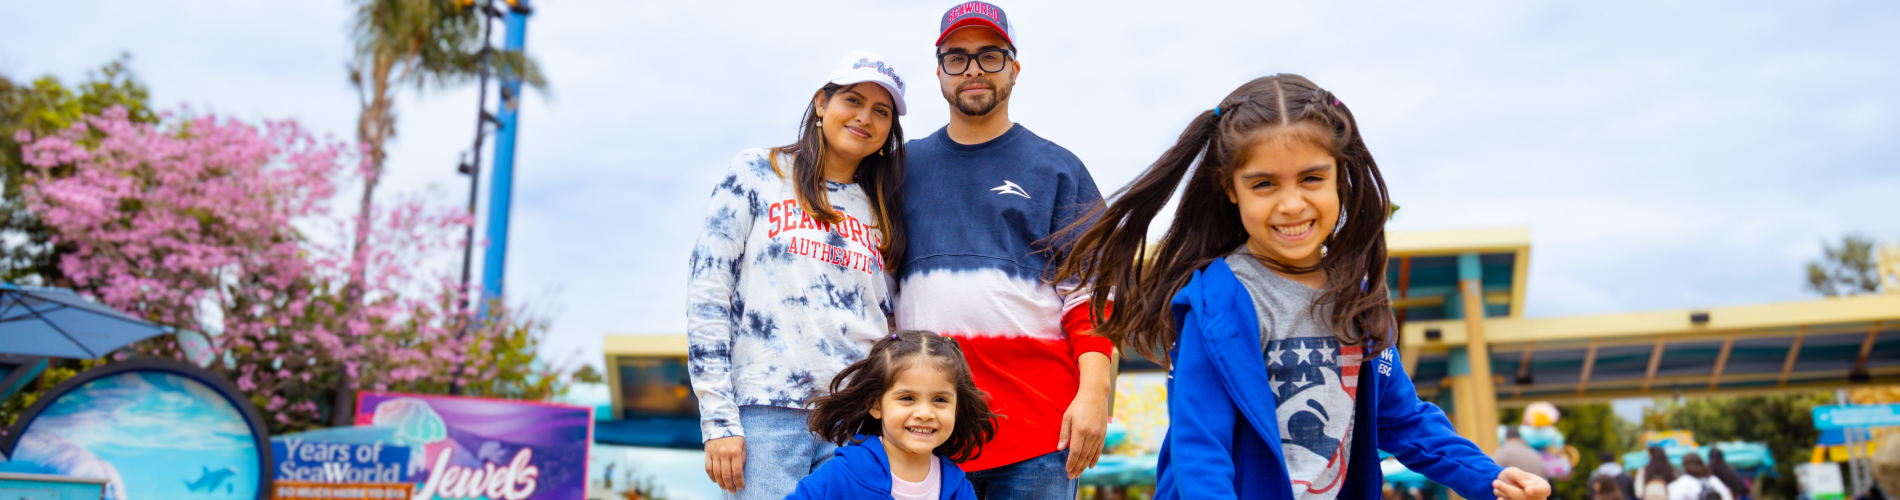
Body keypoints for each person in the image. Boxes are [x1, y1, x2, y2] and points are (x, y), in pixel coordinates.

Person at [1052, 74, 1551, 500]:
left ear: (1341, 177)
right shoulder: (1218, 299)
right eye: (1265, 184)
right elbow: (1200, 445)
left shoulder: (1356, 297)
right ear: (1231, 189)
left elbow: (1405, 419)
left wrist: (1489, 478)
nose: (1291, 205)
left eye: (1312, 178)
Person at [894, 2, 1114, 498]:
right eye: (957, 57)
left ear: (1014, 68)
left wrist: (1096, 394)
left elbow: (1094, 295)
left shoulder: (1059, 169)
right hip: (927, 434)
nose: (972, 69)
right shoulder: (900, 170)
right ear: (939, 72)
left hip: (1039, 434)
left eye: (989, 55)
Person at [687, 51, 912, 500]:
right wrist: (718, 420)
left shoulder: (885, 206)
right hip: (766, 414)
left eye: (881, 111)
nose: (865, 117)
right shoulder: (757, 172)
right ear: (822, 103)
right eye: (853, 100)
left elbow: (891, 324)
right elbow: (709, 294)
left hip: (857, 423)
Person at [787, 330, 998, 500]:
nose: (925, 413)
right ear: (876, 405)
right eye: (907, 398)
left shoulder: (958, 488)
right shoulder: (845, 472)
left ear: (957, 409)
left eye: (940, 400)